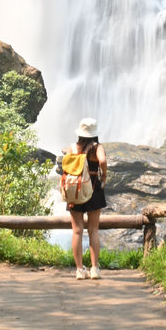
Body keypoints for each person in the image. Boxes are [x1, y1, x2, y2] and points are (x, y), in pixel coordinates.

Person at [64, 117, 107, 280]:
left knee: (77, 230)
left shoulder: (72, 148)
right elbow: (102, 160)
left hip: (75, 190)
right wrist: (105, 176)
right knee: (93, 230)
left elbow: (66, 167)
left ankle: (79, 270)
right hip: (93, 188)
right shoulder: (97, 147)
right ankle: (94, 268)